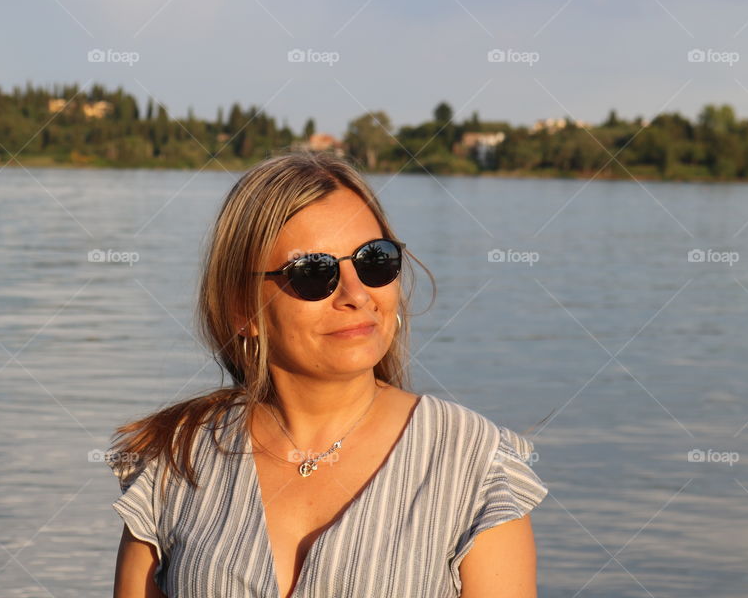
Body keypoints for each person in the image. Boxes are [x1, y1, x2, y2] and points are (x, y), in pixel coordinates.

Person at [106, 150, 549, 598]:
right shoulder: (175, 458)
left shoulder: (475, 464)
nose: (357, 294)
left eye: (374, 262)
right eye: (313, 273)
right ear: (244, 309)